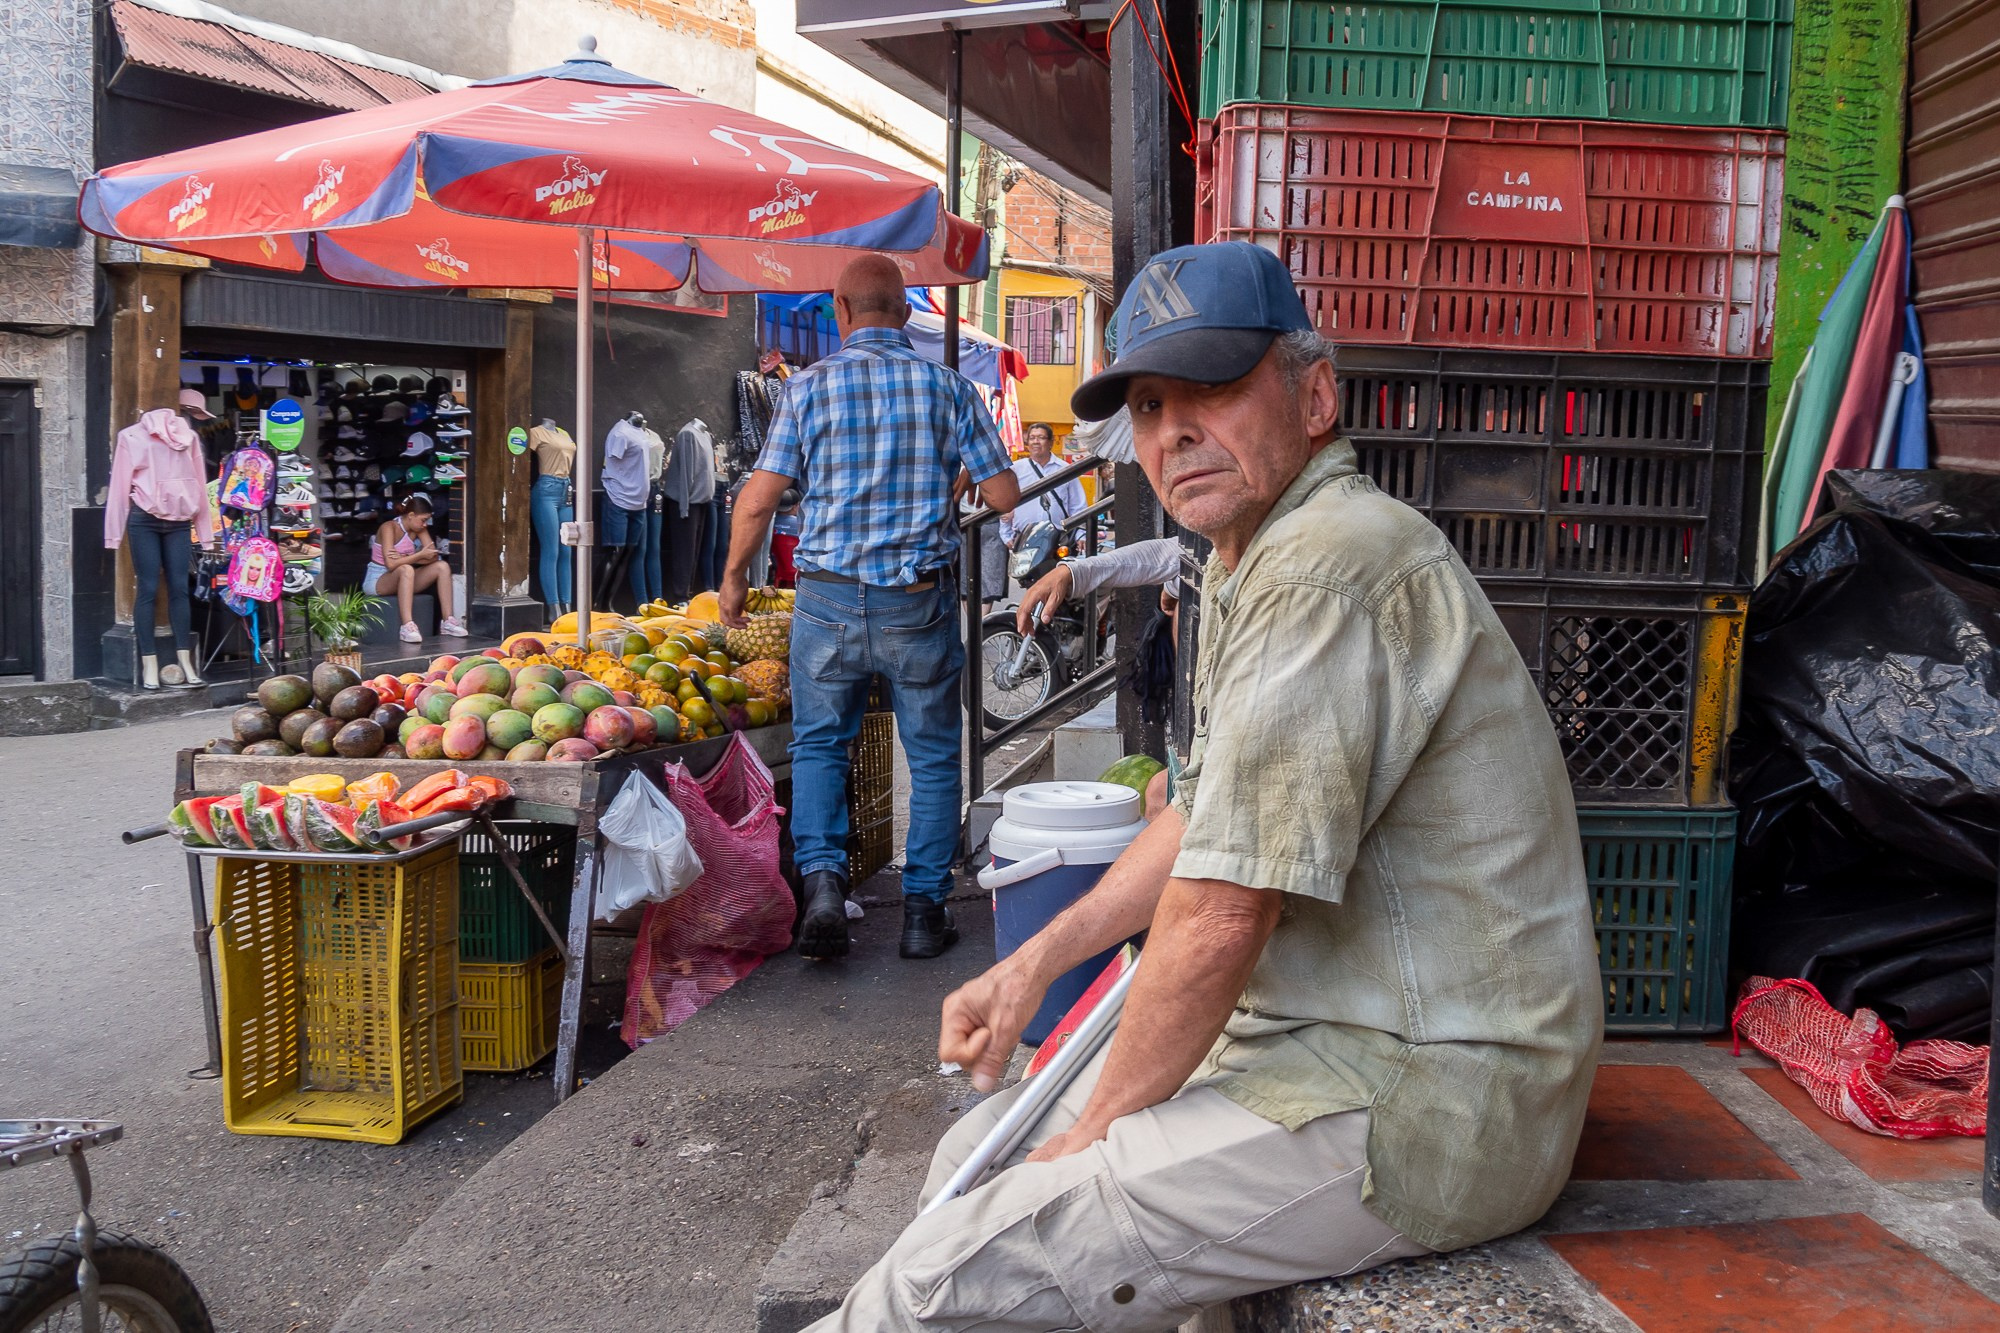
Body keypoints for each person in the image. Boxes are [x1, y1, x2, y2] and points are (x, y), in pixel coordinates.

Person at [805, 241, 1602, 1330]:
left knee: (948, 1270)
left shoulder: (1329, 562)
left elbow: (1223, 911)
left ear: (1314, 394)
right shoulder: (1246, 555)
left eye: (1213, 388)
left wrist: (1074, 1156)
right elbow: (1196, 814)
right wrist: (1031, 965)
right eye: (1143, 404)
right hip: (1314, 1042)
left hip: (1431, 1090)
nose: (1171, 431)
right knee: (969, 1159)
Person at [721, 254, 1020, 962]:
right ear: (908, 313)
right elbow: (1005, 496)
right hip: (916, 602)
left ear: (841, 311)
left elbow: (760, 497)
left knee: (820, 743)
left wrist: (734, 577)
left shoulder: (807, 389)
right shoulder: (950, 389)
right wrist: (952, 481)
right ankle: (923, 911)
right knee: (935, 753)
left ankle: (823, 884)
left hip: (824, 601)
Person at [106, 395, 218, 690]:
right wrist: (114, 533)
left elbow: (198, 482)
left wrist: (205, 535)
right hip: (145, 519)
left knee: (179, 588)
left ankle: (185, 662)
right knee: (150, 588)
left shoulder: (190, 438)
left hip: (179, 521)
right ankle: (149, 663)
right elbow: (120, 486)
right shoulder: (130, 437)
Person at [367, 493, 466, 641]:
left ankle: (447, 621)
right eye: (423, 520)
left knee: (442, 566)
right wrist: (418, 555)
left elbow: (433, 556)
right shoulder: (388, 527)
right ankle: (407, 626)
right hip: (378, 579)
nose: (425, 524)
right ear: (411, 515)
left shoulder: (419, 529)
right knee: (406, 569)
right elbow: (391, 564)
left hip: (405, 578)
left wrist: (406, 558)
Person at [999, 422, 1086, 552]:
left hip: (1057, 539)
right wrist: (1006, 535)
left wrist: (1081, 534)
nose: (1036, 441)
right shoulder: (1016, 469)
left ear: (1050, 442)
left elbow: (1078, 506)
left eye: (1041, 437)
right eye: (1032, 438)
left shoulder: (1065, 470)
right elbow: (1006, 504)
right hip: (1022, 538)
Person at [664, 417, 716, 601]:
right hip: (686, 502)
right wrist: (684, 506)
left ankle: (688, 592)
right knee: (684, 551)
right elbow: (686, 472)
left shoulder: (705, 435)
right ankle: (680, 595)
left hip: (701, 501)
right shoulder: (687, 434)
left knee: (695, 549)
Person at [529, 419, 576, 619]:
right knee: (551, 550)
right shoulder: (535, 433)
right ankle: (553, 608)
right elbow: (519, 454)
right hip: (546, 487)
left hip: (566, 488)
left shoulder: (564, 432)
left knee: (567, 550)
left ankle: (568, 607)